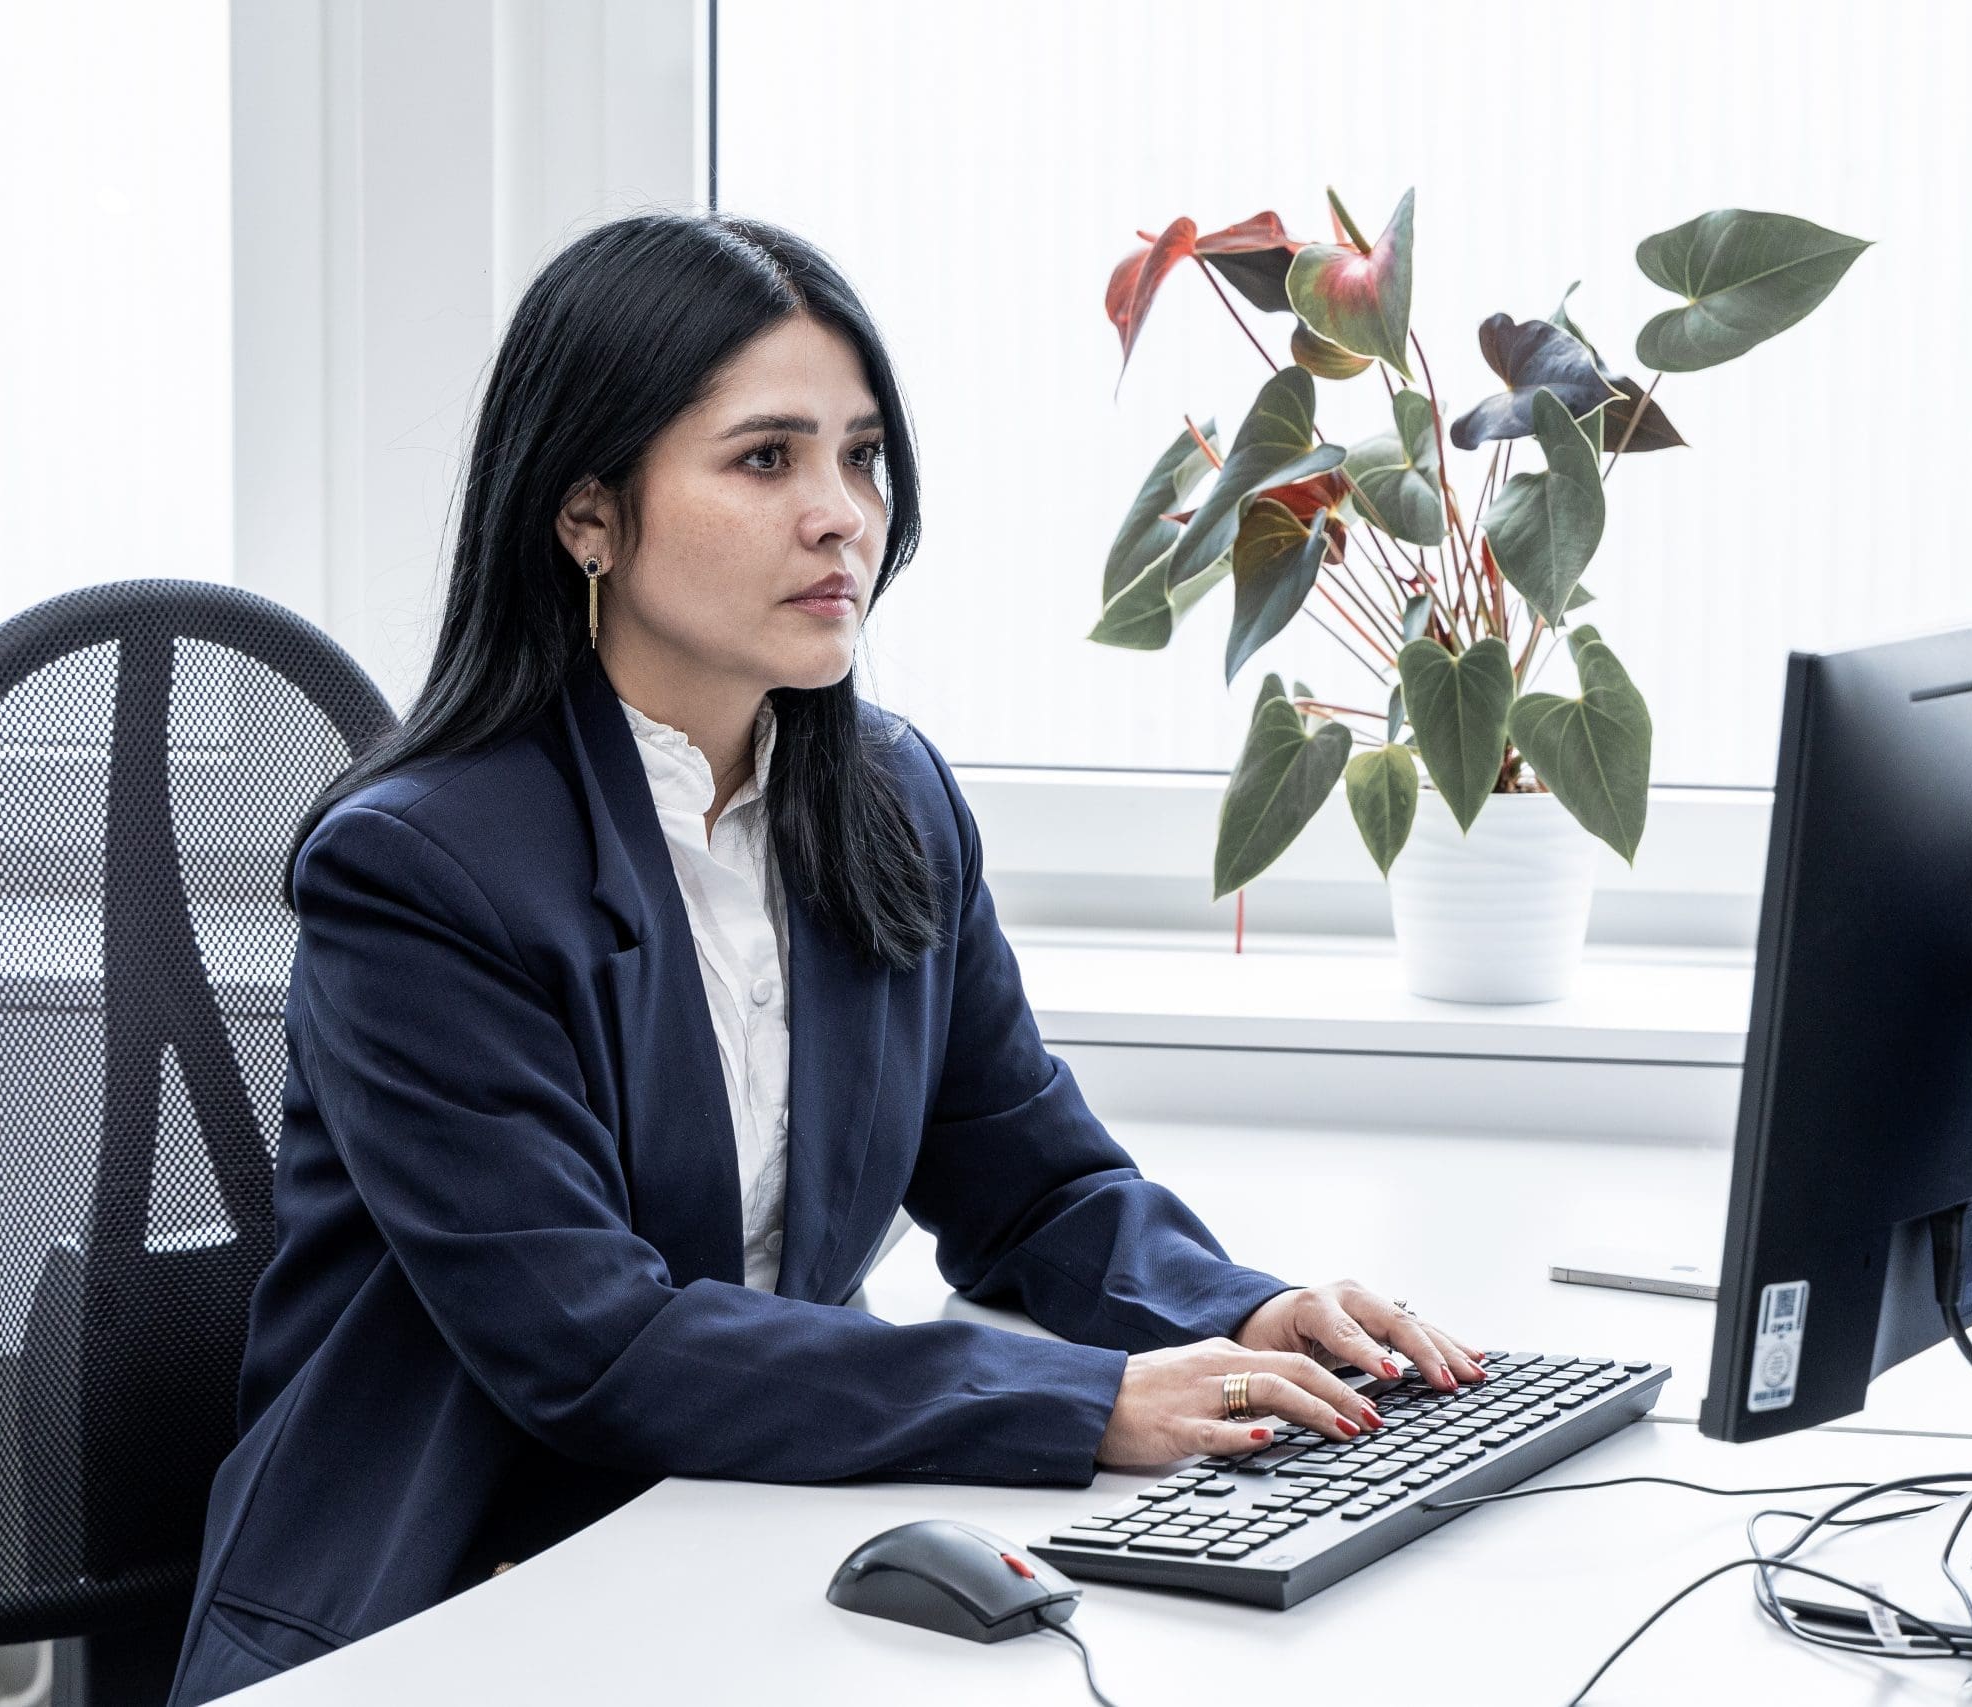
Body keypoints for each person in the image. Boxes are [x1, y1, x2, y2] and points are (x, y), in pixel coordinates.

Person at [167, 209, 1485, 1704]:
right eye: (764, 458)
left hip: (737, 1537)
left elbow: (1030, 1182)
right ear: (587, 513)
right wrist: (1092, 1398)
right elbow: (596, 1347)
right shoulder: (420, 871)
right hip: (452, 1596)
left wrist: (1237, 1315)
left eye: (861, 456)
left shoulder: (885, 797)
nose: (842, 513)